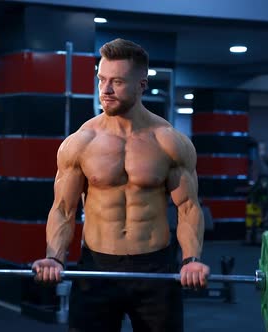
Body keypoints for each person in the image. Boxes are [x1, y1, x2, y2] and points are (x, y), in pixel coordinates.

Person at [32, 38, 210, 332]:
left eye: (117, 81)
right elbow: (64, 208)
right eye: (101, 79)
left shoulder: (169, 142)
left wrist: (191, 259)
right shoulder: (81, 142)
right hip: (96, 268)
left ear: (142, 84)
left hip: (154, 268)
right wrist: (55, 258)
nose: (105, 90)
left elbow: (188, 207)